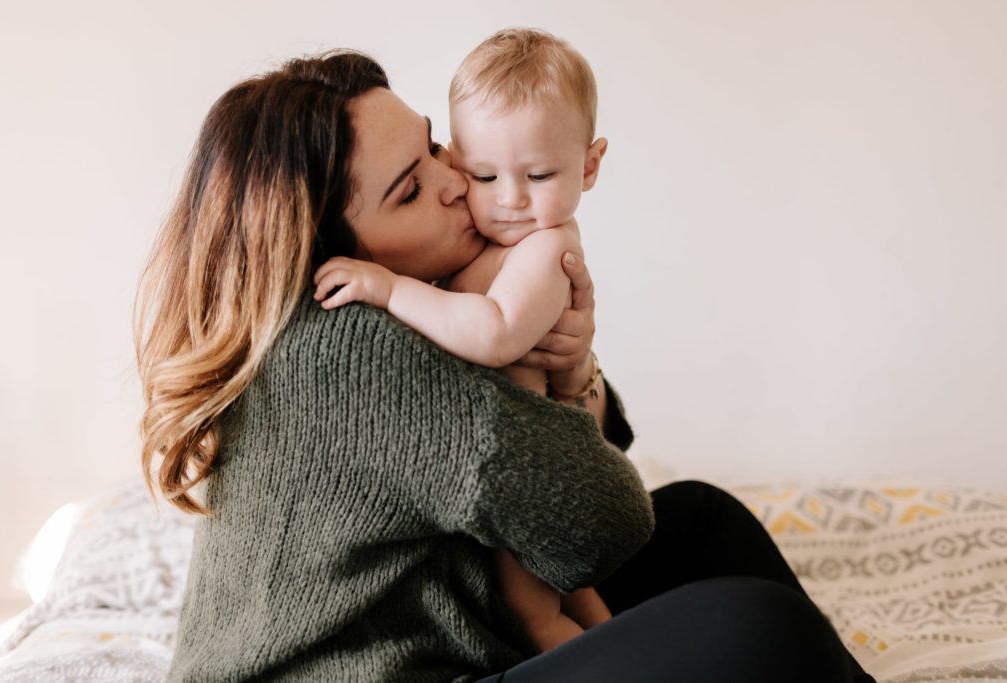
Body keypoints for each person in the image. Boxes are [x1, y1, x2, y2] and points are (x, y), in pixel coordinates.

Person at [136, 50, 876, 682]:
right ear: (341, 252)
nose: (459, 179)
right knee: (757, 628)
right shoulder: (349, 349)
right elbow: (595, 519)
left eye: (432, 148)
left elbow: (573, 482)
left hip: (463, 628)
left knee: (702, 521)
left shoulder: (415, 301)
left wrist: (572, 361)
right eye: (411, 189)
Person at [310, 28, 613, 653]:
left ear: (589, 165)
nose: (509, 199)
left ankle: (600, 653)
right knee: (570, 591)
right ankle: (615, 641)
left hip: (539, 474)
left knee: (536, 607)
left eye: (539, 173)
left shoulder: (545, 245)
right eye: (481, 172)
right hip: (524, 474)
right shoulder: (340, 348)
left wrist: (390, 288)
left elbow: (496, 334)